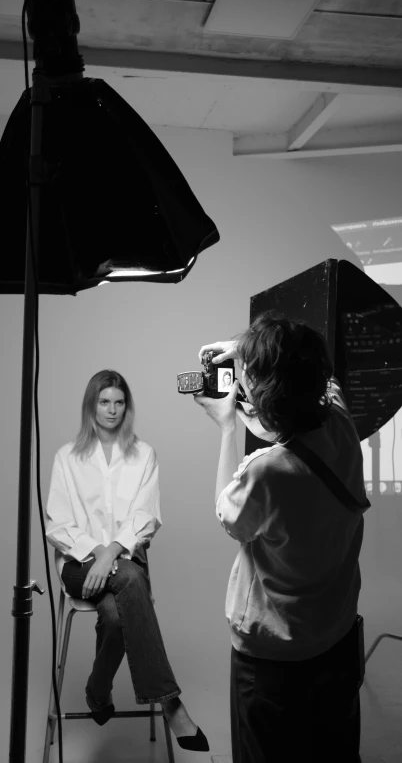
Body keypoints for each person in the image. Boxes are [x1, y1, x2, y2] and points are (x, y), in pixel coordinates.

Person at [195, 311, 368, 763]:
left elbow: (228, 516)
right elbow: (322, 380)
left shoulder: (268, 472)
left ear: (266, 401)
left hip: (273, 662)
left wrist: (227, 425)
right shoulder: (342, 429)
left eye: (249, 379)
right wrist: (247, 352)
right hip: (337, 641)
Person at [45, 369, 209, 752]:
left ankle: (97, 690)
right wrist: (97, 555)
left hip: (125, 563)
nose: (112, 410)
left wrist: (113, 553)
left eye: (119, 402)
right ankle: (171, 705)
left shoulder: (143, 455)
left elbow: (146, 517)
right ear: (91, 405)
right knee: (132, 581)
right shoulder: (67, 457)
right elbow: (58, 523)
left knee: (119, 614)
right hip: (78, 564)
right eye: (104, 402)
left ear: (127, 407)